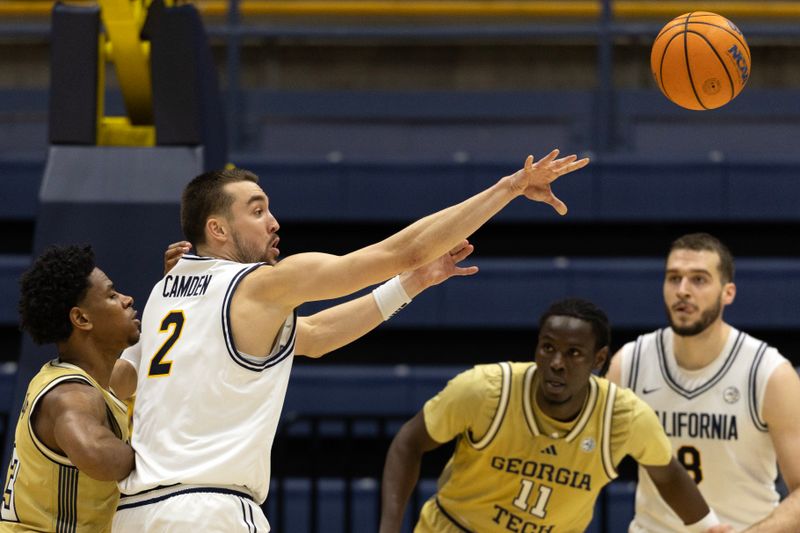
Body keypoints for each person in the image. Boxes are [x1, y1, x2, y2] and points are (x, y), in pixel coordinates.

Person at [110, 149, 590, 532]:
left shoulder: (166, 293)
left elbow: (315, 337)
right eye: (257, 212)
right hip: (208, 513)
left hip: (133, 511)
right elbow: (402, 250)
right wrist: (508, 189)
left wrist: (413, 284)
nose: (274, 222)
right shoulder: (257, 284)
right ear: (216, 229)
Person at [380, 298, 722, 533]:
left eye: (573, 353)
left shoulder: (622, 417)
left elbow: (669, 475)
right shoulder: (485, 391)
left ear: (598, 360)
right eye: (548, 348)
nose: (557, 363)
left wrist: (708, 528)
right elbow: (409, 442)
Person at [606, 232, 800, 532]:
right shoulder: (630, 363)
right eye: (673, 278)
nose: (682, 290)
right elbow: (590, 459)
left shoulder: (769, 373)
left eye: (698, 279)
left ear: (728, 293)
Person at [0, 245, 140, 532]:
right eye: (112, 295)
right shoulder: (70, 398)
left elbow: (142, 368)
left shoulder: (98, 381)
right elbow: (96, 454)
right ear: (82, 319)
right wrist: (170, 452)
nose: (127, 299)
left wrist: (175, 289)